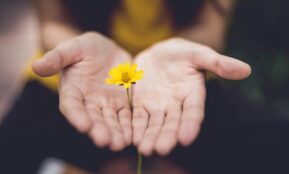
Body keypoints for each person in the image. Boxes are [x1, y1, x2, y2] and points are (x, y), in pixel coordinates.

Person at [0, 0, 257, 173]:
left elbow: (210, 29)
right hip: (79, 81)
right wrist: (75, 48)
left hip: (177, 82)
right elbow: (53, 22)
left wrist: (183, 50)